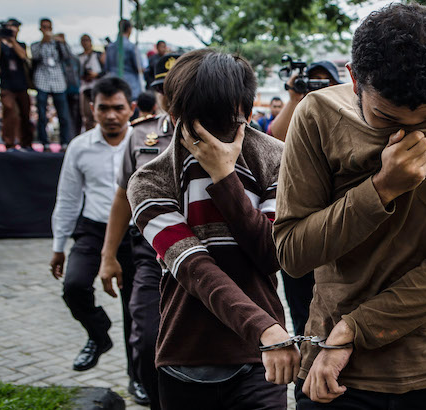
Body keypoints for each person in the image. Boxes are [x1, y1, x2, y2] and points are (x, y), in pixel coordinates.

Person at [274, 3, 426, 408]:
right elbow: (293, 253)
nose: (406, 136)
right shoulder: (317, 115)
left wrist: (355, 329)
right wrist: (380, 189)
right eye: (384, 119)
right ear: (353, 78)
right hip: (332, 370)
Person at [126, 49, 295, 409]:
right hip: (187, 353)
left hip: (260, 358)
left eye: (225, 122)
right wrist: (262, 328)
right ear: (174, 115)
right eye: (198, 122)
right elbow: (192, 266)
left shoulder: (278, 159)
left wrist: (224, 177)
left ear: (248, 113)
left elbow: (270, 255)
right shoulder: (149, 180)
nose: (212, 139)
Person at [97, 52, 182, 408]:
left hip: (208, 249)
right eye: (163, 89)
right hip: (152, 251)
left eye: (177, 87)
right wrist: (107, 256)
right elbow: (122, 198)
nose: (170, 95)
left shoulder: (223, 131)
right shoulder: (141, 136)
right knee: (146, 337)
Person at [49, 77, 138, 383]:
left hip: (134, 235)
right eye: (103, 108)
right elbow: (68, 197)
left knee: (135, 311)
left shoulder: (142, 144)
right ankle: (98, 334)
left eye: (118, 108)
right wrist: (59, 246)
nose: (111, 115)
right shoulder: (79, 147)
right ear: (92, 109)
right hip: (92, 230)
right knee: (73, 287)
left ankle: (137, 378)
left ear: (132, 109)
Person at [268, 59, 342, 338]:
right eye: (313, 82)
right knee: (302, 312)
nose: (318, 88)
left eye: (325, 82)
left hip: (336, 229)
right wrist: (295, 98)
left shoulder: (346, 114)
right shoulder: (299, 113)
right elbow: (277, 136)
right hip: (300, 233)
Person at [267, 60, 342, 141]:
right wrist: (294, 99)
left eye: (328, 81)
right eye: (316, 80)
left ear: (336, 85)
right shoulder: (300, 110)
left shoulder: (342, 110)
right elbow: (276, 137)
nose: (322, 87)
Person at [31, 18, 73, 149]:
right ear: (40, 29)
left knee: (63, 115)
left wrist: (63, 42)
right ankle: (44, 142)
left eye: (48, 27)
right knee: (42, 115)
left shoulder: (58, 44)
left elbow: (68, 57)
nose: (46, 30)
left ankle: (65, 142)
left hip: (59, 81)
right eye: (44, 27)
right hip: (42, 80)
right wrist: (44, 40)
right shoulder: (36, 44)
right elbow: (35, 56)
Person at [0, 18, 33, 151]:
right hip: (6, 85)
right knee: (10, 113)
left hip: (21, 84)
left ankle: (26, 143)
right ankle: (9, 143)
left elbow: (23, 56)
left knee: (25, 114)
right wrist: (0, 39)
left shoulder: (20, 44)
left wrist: (12, 40)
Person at [105, 19, 142, 100]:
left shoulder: (110, 47)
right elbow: (139, 68)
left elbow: (107, 67)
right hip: (130, 86)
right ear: (129, 29)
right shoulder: (132, 47)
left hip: (113, 85)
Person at [78, 34, 105, 132]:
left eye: (87, 40)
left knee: (99, 113)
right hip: (84, 88)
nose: (85, 43)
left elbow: (105, 70)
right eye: (83, 40)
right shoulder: (79, 57)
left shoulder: (97, 55)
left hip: (97, 87)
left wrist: (96, 75)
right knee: (87, 115)